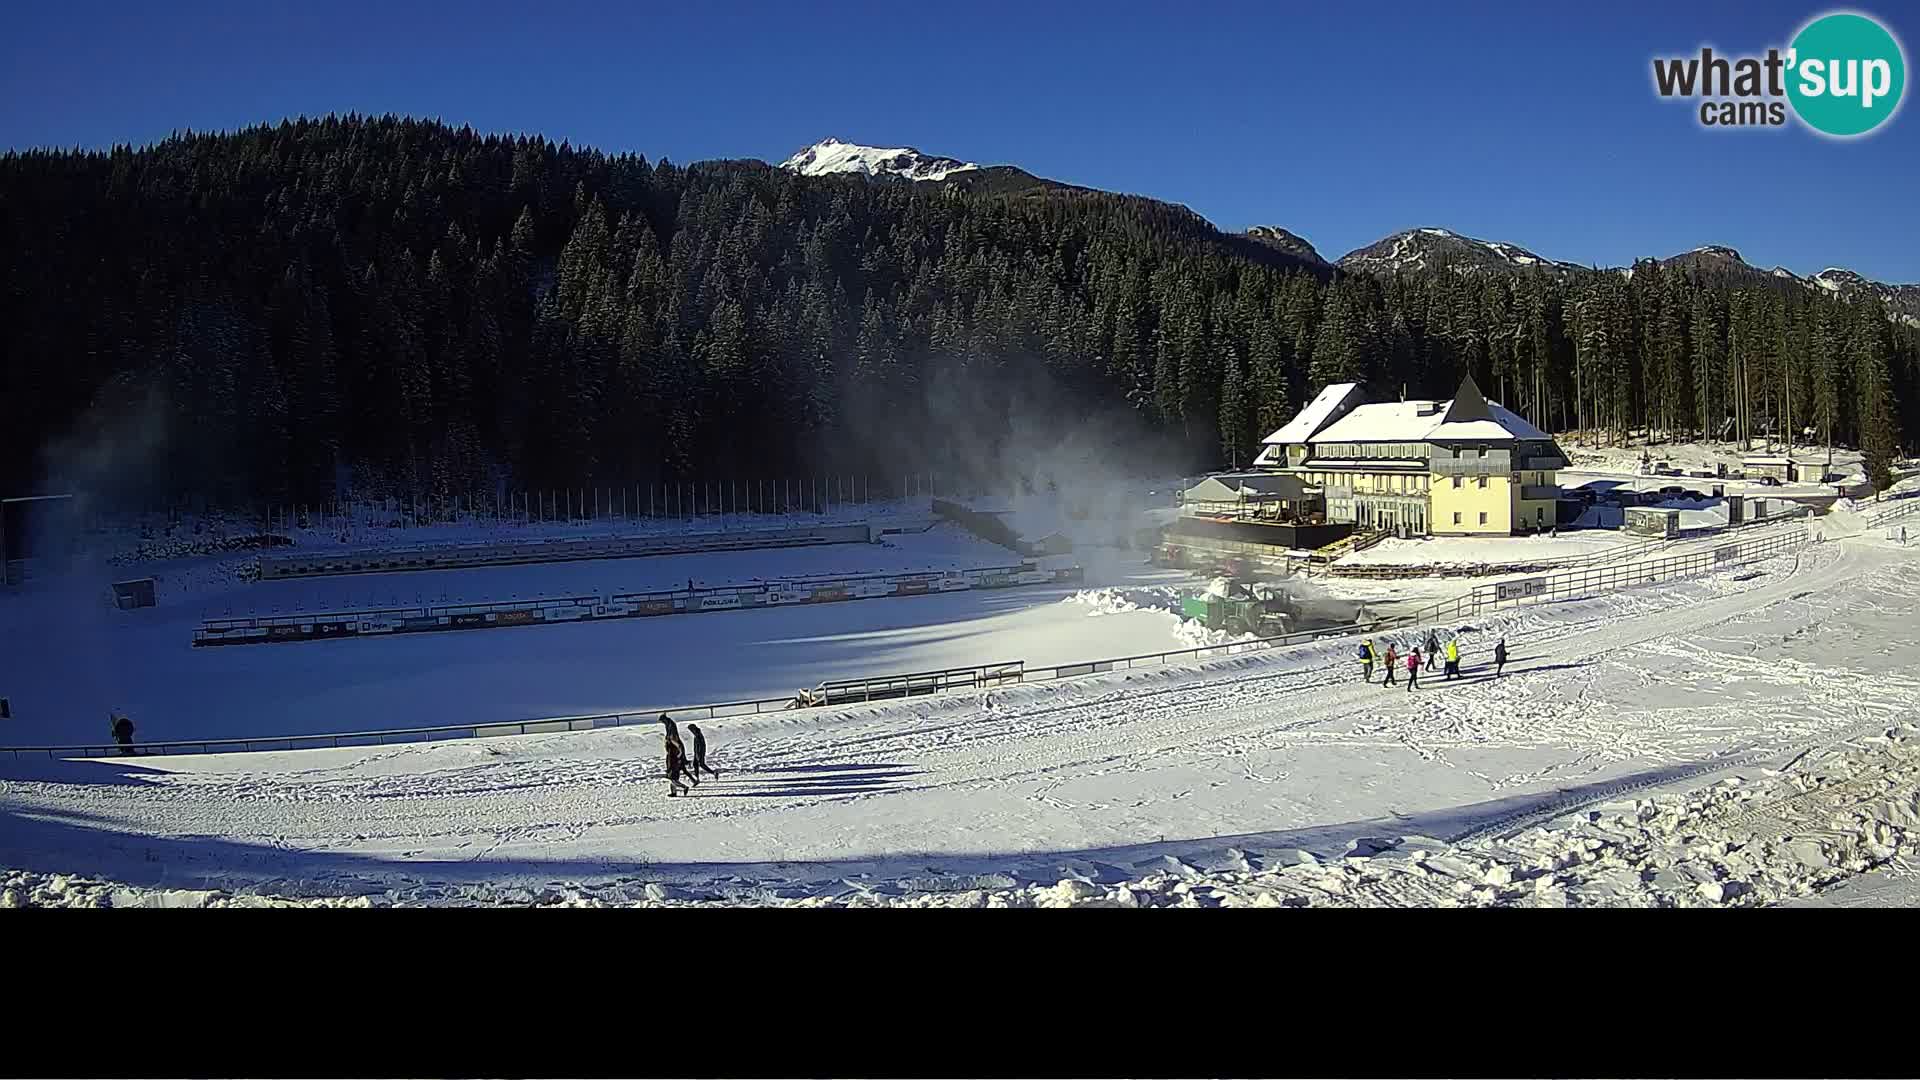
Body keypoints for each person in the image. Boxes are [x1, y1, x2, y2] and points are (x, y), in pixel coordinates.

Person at [660, 714, 694, 795]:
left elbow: (678, 747)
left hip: (673, 761)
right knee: (672, 778)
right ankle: (673, 792)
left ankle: (684, 787)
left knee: (673, 779)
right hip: (673, 759)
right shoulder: (672, 736)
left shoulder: (672, 739)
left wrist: (679, 755)